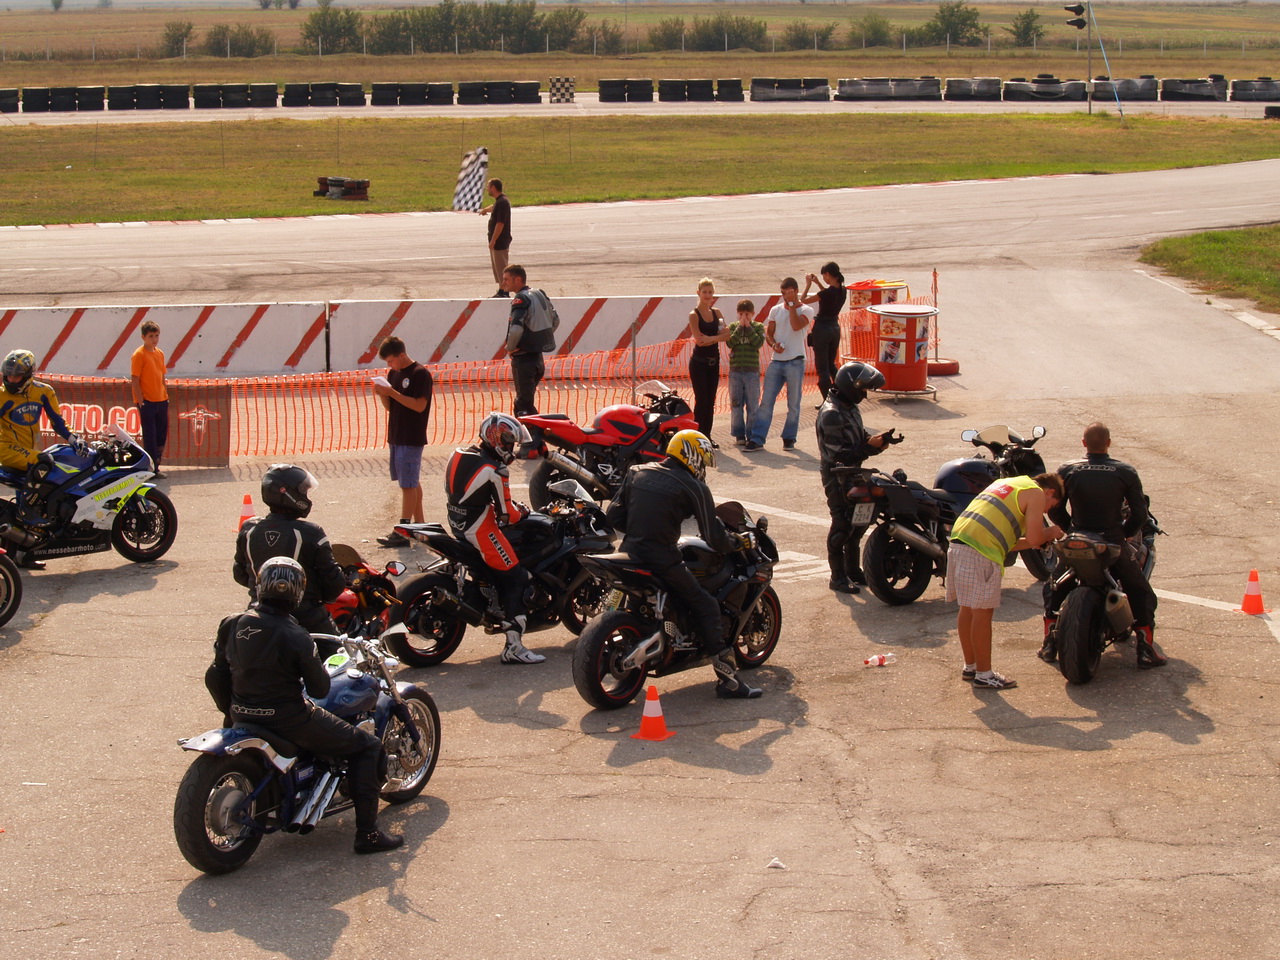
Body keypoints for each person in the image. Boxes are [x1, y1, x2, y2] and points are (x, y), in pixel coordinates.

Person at [205, 557, 403, 855]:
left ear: (259, 586)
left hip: (242, 715)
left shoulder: (231, 623)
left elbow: (215, 675)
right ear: (297, 592)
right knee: (367, 746)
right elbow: (319, 688)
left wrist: (231, 711)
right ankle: (368, 834)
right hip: (290, 720)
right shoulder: (295, 634)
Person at [605, 429, 762, 699]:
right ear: (692, 456)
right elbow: (714, 537)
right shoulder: (694, 487)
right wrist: (738, 543)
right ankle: (729, 681)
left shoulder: (637, 471)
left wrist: (642, 528)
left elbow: (614, 516)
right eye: (702, 461)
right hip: (663, 560)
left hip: (629, 552)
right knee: (706, 605)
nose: (703, 468)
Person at [1040, 422, 1166, 670]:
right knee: (1140, 591)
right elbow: (1140, 513)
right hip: (1111, 542)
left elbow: (1053, 506)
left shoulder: (1068, 470)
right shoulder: (1125, 471)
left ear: (1084, 443)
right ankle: (1145, 649)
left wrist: (1070, 529)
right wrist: (1123, 535)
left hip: (1077, 541)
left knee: (1055, 586)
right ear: (1108, 443)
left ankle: (1049, 643)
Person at [947, 473, 1064, 690]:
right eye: (1051, 505)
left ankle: (971, 667)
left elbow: (1010, 543)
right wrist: (1053, 532)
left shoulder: (1009, 484)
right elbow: (1036, 537)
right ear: (1050, 492)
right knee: (983, 612)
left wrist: (1035, 541)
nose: (1046, 511)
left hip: (961, 541)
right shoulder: (1037, 493)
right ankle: (984, 674)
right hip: (981, 549)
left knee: (968, 608)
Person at [445, 412, 544, 664]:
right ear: (497, 439)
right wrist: (523, 511)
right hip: (479, 528)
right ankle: (514, 648)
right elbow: (508, 515)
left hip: (456, 521)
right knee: (517, 577)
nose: (512, 448)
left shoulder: (459, 453)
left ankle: (490, 597)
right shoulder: (495, 469)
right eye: (510, 442)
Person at [234, 463, 346, 637]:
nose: (306, 496)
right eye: (303, 491)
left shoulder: (249, 529)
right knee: (343, 656)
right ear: (288, 493)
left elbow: (240, 573)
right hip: (306, 616)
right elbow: (333, 584)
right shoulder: (310, 532)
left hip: (257, 613)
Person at [0, 348, 88, 569]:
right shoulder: (2, 396)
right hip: (7, 449)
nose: (11, 379)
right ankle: (29, 515)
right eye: (8, 374)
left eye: (16, 375)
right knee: (44, 461)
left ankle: (21, 553)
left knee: (38, 483)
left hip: (29, 451)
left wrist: (73, 438)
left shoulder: (43, 391)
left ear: (29, 374)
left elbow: (57, 420)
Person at [816, 361, 897, 594]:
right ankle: (837, 576)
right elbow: (839, 455)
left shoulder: (849, 406)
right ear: (851, 386)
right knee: (841, 524)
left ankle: (853, 570)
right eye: (862, 389)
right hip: (837, 476)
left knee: (859, 522)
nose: (864, 394)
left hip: (854, 471)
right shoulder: (832, 414)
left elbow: (860, 436)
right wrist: (870, 448)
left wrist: (879, 440)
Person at [373, 336, 432, 548]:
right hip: (397, 435)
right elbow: (392, 407)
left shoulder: (420, 374)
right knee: (411, 480)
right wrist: (382, 394)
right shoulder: (394, 374)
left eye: (391, 361)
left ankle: (404, 528)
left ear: (401, 355)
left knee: (407, 484)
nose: (389, 365)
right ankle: (420, 526)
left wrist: (392, 392)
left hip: (411, 435)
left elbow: (418, 406)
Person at [745, 278, 814, 452]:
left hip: (796, 361)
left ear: (796, 291)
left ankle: (789, 438)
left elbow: (797, 325)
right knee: (766, 402)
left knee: (793, 403)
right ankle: (757, 438)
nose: (785, 296)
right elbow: (769, 334)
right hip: (777, 361)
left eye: (789, 292)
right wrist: (773, 344)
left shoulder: (806, 310)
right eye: (783, 293)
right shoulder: (775, 310)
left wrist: (792, 305)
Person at [501, 264, 557, 417]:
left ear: (518, 279)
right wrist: (539, 339)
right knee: (527, 403)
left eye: (506, 279)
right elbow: (555, 321)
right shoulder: (539, 293)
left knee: (522, 405)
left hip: (523, 359)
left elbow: (516, 328)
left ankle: (532, 439)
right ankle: (536, 437)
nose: (503, 283)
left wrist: (510, 348)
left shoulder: (521, 298)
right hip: (538, 359)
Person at [686, 278, 729, 436]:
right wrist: (716, 337)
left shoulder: (717, 313)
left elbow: (727, 333)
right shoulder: (694, 315)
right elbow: (699, 340)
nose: (707, 295)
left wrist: (711, 338)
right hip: (699, 363)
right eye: (704, 292)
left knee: (711, 401)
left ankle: (707, 436)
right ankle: (697, 435)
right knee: (702, 401)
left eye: (710, 292)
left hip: (714, 362)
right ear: (698, 293)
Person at [801, 262, 848, 406]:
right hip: (835, 328)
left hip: (822, 329)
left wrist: (808, 284)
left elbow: (803, 300)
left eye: (824, 276)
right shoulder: (842, 290)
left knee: (822, 368)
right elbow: (827, 294)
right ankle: (843, 393)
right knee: (831, 365)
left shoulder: (827, 293)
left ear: (827, 274)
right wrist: (818, 283)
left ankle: (828, 401)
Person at [130, 320, 169, 479]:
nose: (154, 339)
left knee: (161, 434)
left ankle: (156, 466)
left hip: (161, 399)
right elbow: (135, 379)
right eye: (151, 336)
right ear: (143, 337)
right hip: (148, 402)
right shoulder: (139, 354)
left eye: (156, 335)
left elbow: (162, 376)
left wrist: (166, 394)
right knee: (150, 436)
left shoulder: (159, 353)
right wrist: (141, 401)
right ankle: (150, 469)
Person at [726, 299, 765, 447]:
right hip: (735, 371)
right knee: (736, 404)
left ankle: (752, 434)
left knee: (752, 405)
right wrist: (739, 329)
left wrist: (748, 327)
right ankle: (739, 434)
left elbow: (758, 343)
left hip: (751, 372)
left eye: (747, 314)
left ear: (753, 314)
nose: (744, 317)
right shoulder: (733, 326)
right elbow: (730, 342)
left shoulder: (758, 327)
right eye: (741, 314)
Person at [481, 178, 512, 298]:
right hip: (497, 240)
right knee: (498, 268)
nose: (487, 189)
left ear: (493, 188)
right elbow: (494, 207)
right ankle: (501, 290)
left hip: (500, 241)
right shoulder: (500, 202)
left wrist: (493, 240)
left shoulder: (502, 202)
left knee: (501, 267)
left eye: (488, 186)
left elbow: (500, 223)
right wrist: (485, 210)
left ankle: (504, 292)